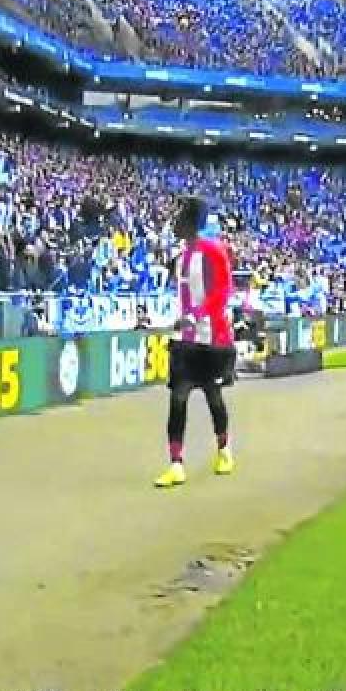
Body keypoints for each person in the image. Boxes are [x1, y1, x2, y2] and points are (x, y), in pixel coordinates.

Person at [154, 196, 237, 489]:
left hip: (212, 340)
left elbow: (223, 290)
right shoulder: (181, 257)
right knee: (178, 398)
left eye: (179, 218)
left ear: (190, 222)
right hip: (186, 342)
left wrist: (196, 315)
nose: (174, 223)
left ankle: (224, 450)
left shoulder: (213, 251)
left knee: (213, 396)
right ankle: (176, 464)